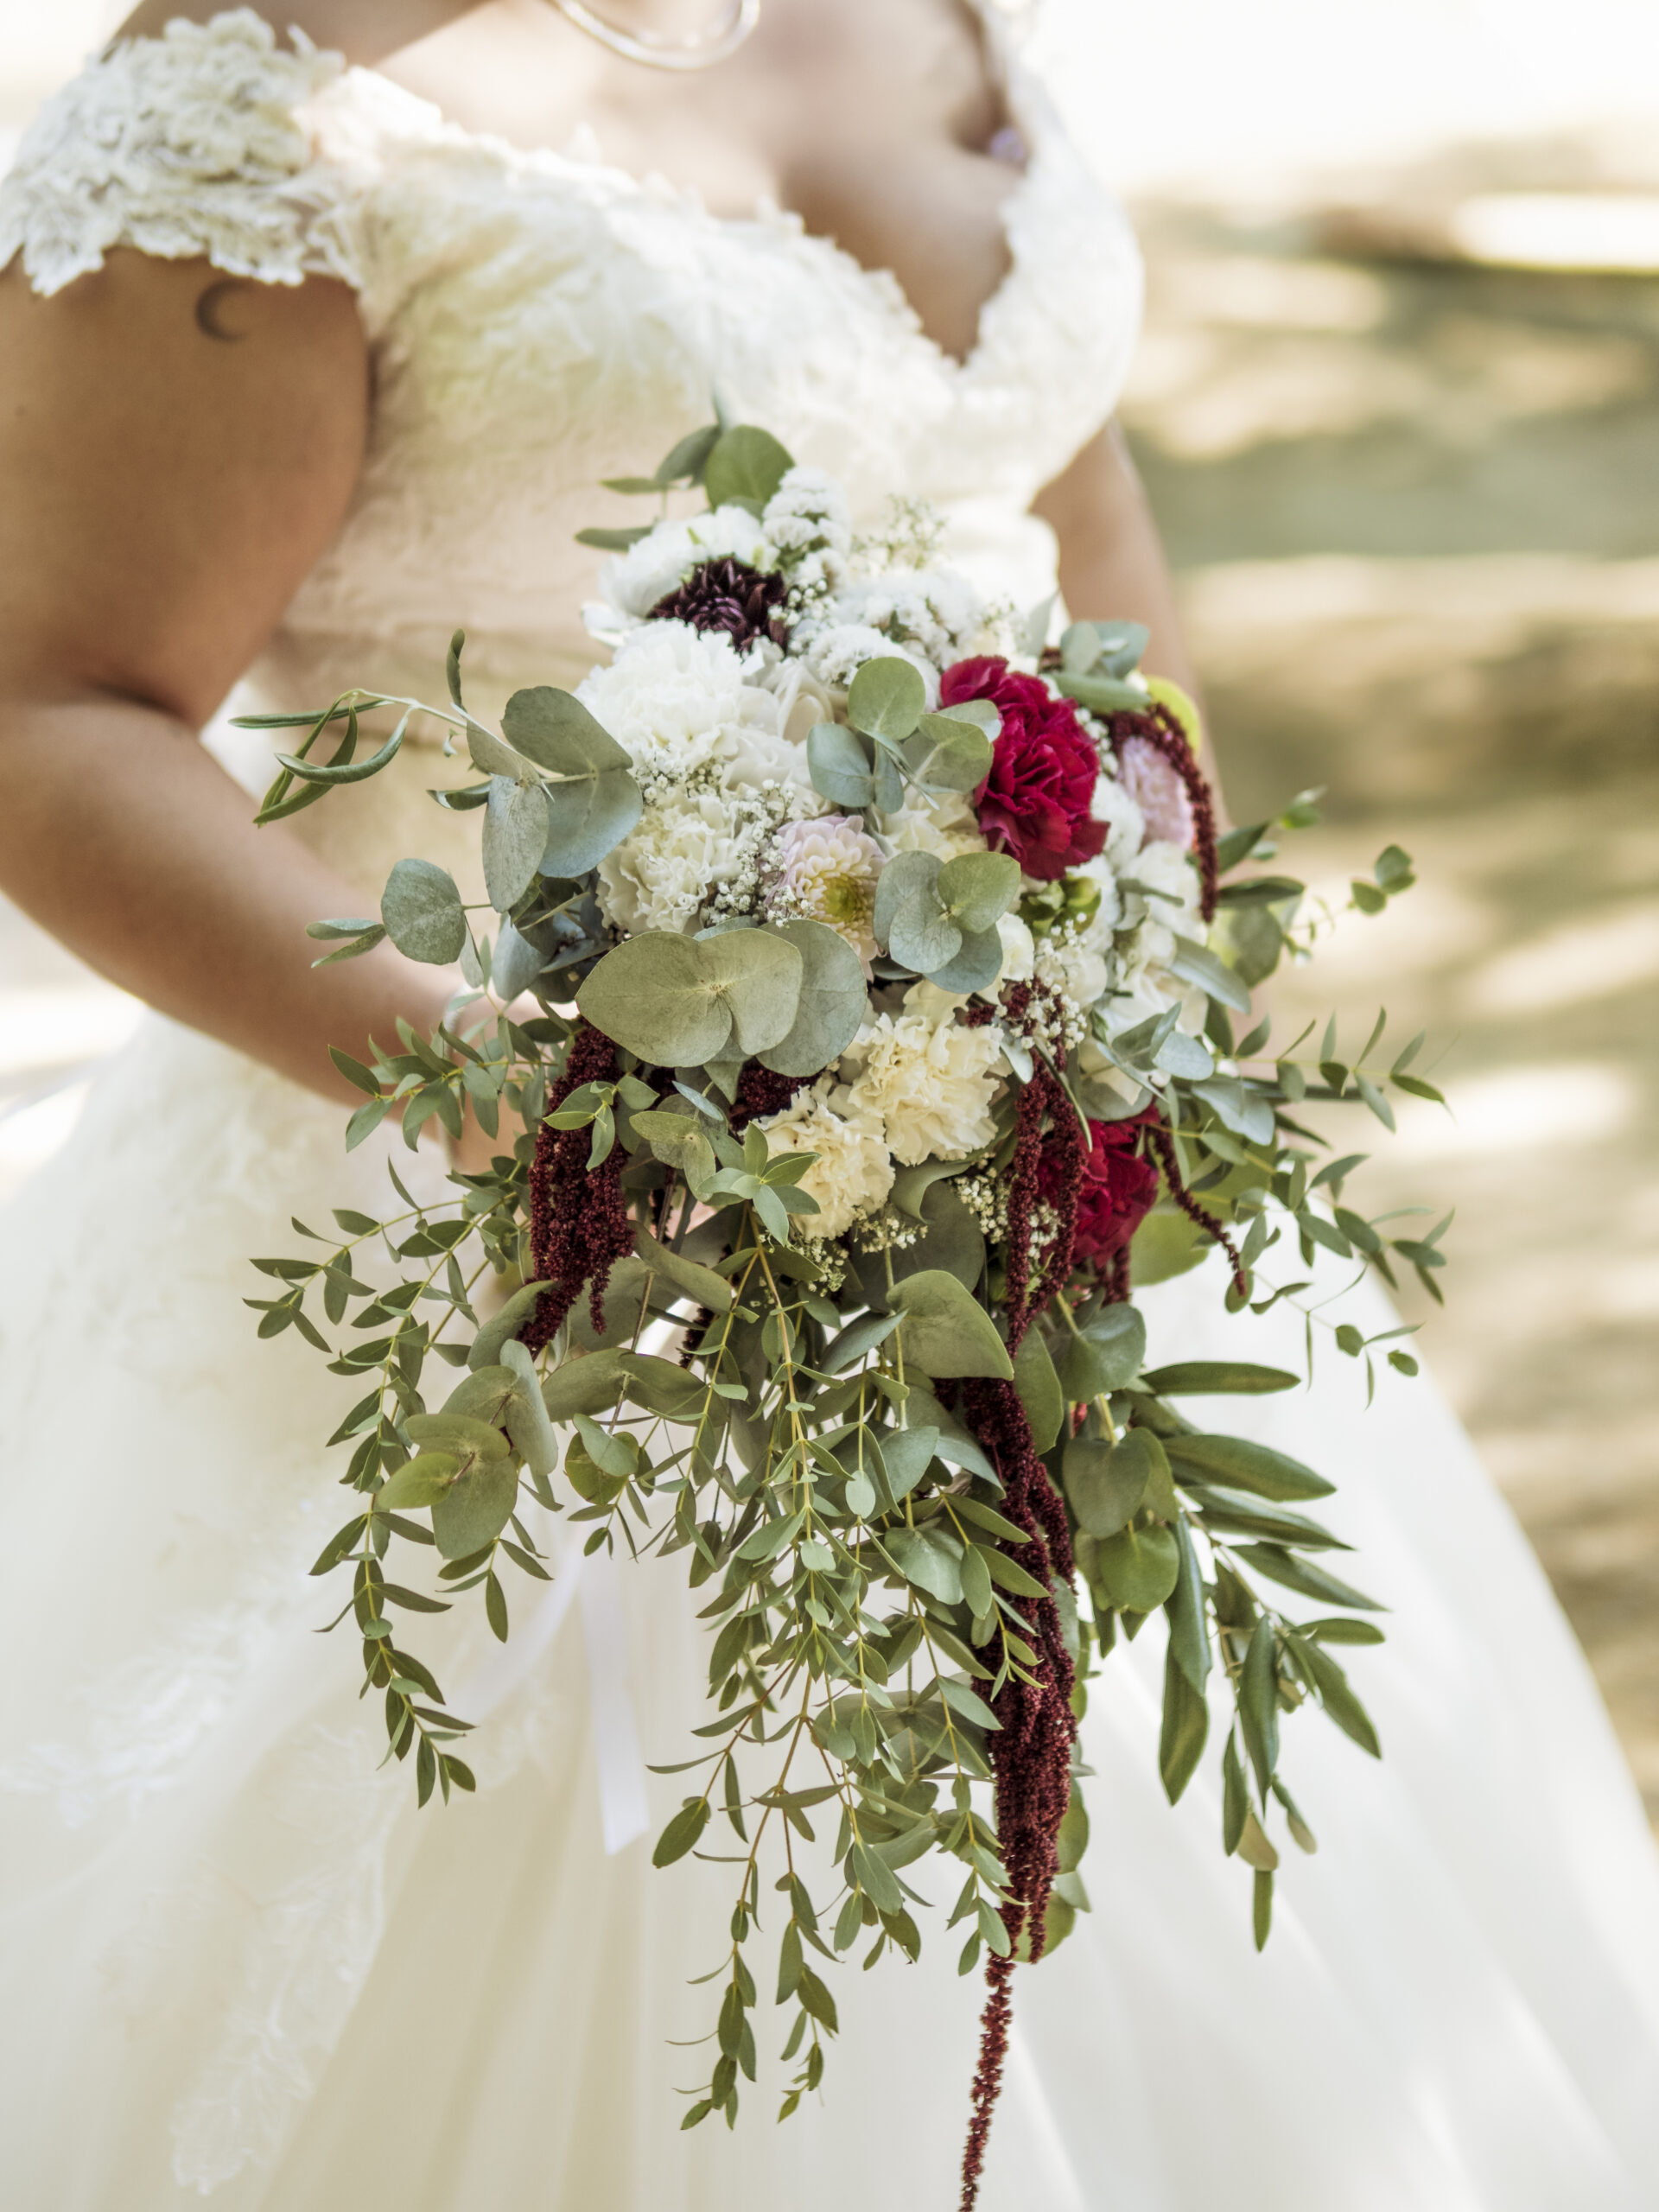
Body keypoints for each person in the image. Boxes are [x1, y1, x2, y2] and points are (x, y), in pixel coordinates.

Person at [1, 5, 1656, 2206]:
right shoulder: (264, 96)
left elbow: (1071, 516)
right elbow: (54, 707)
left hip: (1022, 1180)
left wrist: (1142, 945)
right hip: (478, 1225)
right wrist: (510, 1084)